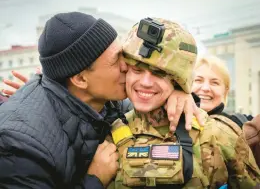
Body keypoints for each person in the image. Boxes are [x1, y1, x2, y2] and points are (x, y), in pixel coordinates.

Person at [107, 17, 260, 189]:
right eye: (137, 70)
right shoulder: (107, 135)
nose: (146, 82)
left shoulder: (218, 134)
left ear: (177, 79)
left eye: (159, 73)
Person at [0, 12, 128, 189]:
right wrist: (94, 180)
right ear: (80, 79)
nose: (127, 66)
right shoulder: (20, 148)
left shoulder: (103, 99)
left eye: (123, 54)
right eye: (116, 61)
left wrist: (177, 93)